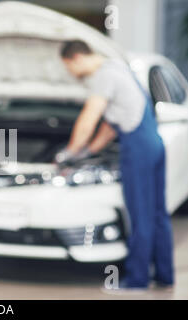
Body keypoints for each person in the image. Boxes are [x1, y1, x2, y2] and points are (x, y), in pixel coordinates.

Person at [56, 40, 174, 291]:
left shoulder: (104, 76)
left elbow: (90, 116)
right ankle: (164, 276)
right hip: (152, 143)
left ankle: (137, 280)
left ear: (76, 58)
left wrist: (68, 153)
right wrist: (88, 151)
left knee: (139, 214)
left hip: (138, 148)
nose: (71, 73)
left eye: (68, 67)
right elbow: (110, 126)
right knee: (156, 213)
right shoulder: (120, 69)